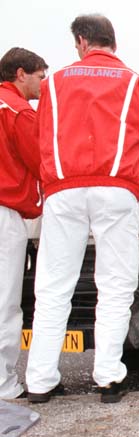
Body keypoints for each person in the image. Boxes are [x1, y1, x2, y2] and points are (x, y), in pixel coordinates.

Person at [27, 14, 139, 404]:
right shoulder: (135, 82)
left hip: (63, 189)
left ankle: (39, 382)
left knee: (53, 287)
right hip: (116, 189)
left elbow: (41, 141)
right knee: (116, 285)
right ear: (111, 42)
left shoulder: (51, 84)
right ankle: (107, 377)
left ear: (83, 41)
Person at [0, 48, 47, 400]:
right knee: (5, 304)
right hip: (5, 213)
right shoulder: (18, 111)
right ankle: (3, 384)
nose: (42, 84)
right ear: (20, 74)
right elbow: (41, 163)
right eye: (40, 76)